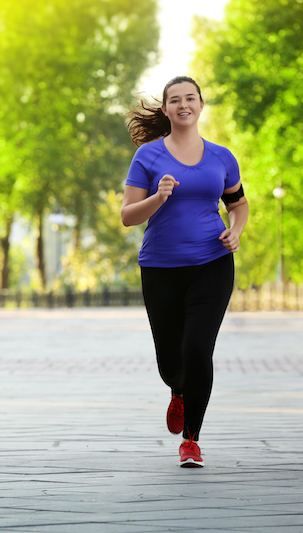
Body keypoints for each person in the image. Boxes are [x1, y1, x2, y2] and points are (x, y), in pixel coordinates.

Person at [121, 76, 249, 467]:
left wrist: (236, 232)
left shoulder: (222, 158)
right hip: (160, 267)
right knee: (169, 357)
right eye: (174, 100)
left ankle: (191, 439)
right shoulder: (147, 157)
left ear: (200, 104)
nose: (183, 105)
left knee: (197, 348)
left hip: (212, 263)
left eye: (189, 98)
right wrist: (158, 197)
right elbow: (128, 216)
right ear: (165, 109)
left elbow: (238, 204)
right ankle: (177, 390)